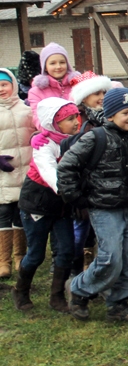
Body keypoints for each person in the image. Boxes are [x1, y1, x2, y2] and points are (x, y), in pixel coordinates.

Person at [58, 87, 128, 323]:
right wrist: (75, 198)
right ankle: (78, 288)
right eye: (124, 112)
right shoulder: (95, 138)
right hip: (103, 209)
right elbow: (66, 165)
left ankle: (118, 303)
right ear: (110, 115)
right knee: (111, 258)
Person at [13, 98, 79, 312]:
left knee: (67, 249)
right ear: (54, 123)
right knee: (36, 253)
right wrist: (65, 189)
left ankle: (56, 296)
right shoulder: (44, 145)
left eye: (76, 117)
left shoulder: (76, 140)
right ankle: (21, 291)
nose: (76, 122)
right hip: (37, 204)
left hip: (61, 206)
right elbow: (49, 170)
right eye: (69, 119)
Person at [68, 71, 114, 276]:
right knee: (79, 230)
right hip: (86, 185)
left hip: (105, 185)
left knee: (98, 231)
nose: (101, 97)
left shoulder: (107, 117)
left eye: (104, 92)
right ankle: (74, 270)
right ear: (83, 96)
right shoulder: (80, 121)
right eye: (96, 93)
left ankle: (92, 265)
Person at [0, 68, 35, 280]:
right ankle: (3, 261)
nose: (1, 90)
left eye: (4, 84)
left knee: (21, 213)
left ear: (12, 85)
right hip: (3, 175)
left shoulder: (26, 110)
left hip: (25, 171)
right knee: (3, 213)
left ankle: (20, 255)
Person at [27, 43, 81, 130]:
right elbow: (38, 118)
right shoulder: (36, 92)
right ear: (45, 67)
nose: (58, 66)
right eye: (53, 63)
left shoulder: (77, 85)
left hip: (81, 133)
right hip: (54, 137)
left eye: (62, 62)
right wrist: (52, 134)